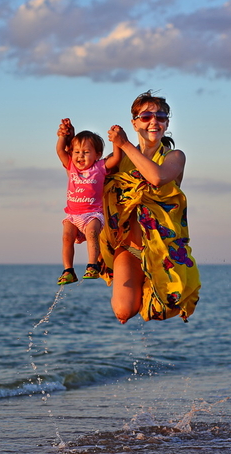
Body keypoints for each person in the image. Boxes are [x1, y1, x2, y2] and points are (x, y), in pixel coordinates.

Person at [99, 91, 200, 323]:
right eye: (146, 117)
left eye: (161, 117)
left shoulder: (174, 157)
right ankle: (138, 283)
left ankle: (149, 284)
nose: (154, 121)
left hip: (164, 250)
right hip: (130, 247)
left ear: (166, 124)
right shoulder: (118, 159)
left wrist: (124, 144)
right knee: (123, 312)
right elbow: (89, 182)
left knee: (164, 308)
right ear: (134, 123)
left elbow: (156, 178)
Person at [56, 118, 122, 285]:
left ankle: (92, 265)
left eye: (86, 152)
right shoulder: (71, 166)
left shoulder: (99, 167)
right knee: (66, 237)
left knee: (92, 234)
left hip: (93, 214)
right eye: (77, 152)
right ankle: (68, 270)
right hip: (73, 215)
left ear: (97, 155)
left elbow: (116, 158)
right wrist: (63, 136)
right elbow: (60, 150)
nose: (80, 156)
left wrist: (116, 141)